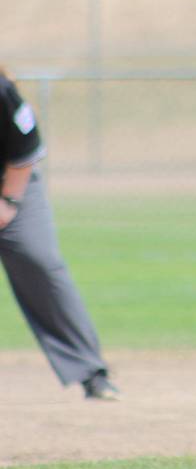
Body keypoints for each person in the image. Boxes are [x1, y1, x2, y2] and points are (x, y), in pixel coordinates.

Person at [0, 71, 120, 400]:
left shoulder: (2, 90)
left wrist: (8, 202)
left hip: (13, 186)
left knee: (39, 260)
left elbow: (26, 147)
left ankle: (90, 372)